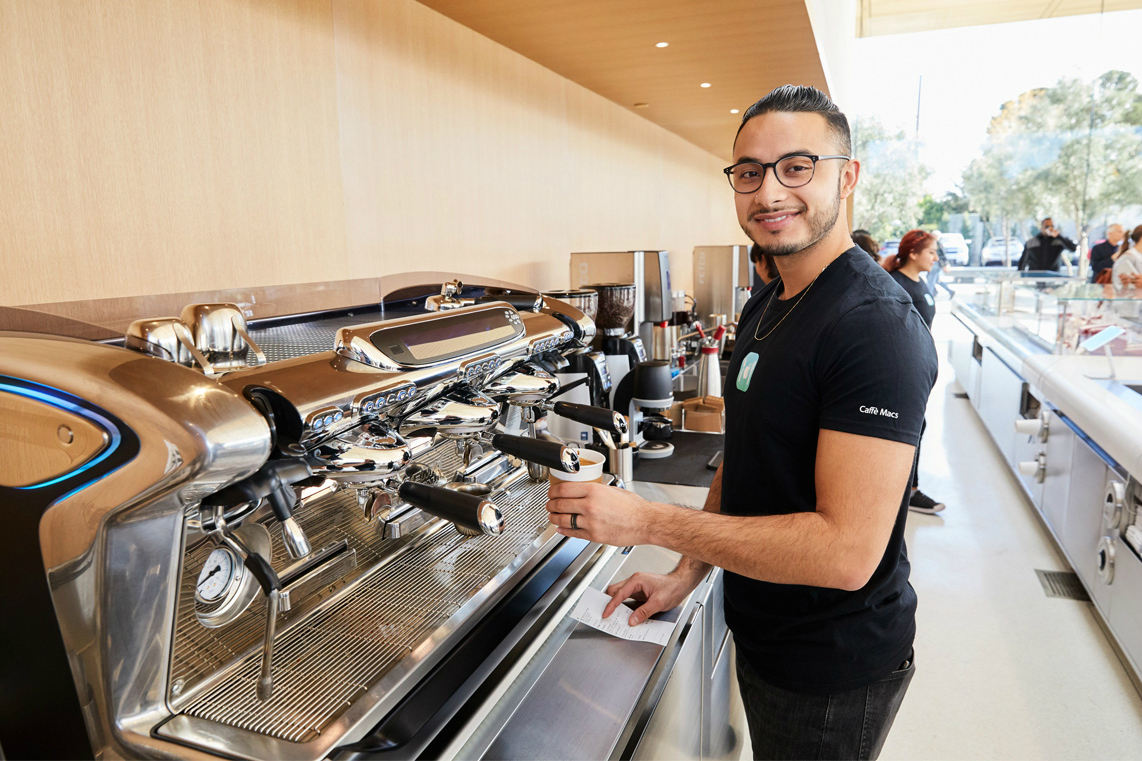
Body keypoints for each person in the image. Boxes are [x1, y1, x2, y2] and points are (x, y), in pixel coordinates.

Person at [547, 85, 937, 760]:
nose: (769, 192)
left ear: (847, 177)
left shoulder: (873, 325)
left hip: (830, 667)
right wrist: (684, 571)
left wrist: (647, 520)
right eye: (750, 173)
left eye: (797, 166)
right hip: (763, 629)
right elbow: (746, 455)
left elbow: (846, 553)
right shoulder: (771, 301)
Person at [882, 229, 947, 515]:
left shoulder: (919, 282)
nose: (935, 257)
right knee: (911, 427)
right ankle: (907, 491)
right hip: (900, 370)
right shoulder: (896, 285)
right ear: (913, 253)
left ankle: (905, 488)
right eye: (931, 252)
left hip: (918, 369)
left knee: (918, 426)